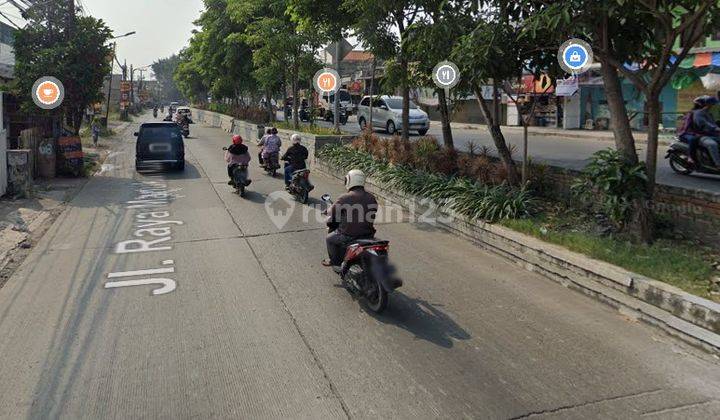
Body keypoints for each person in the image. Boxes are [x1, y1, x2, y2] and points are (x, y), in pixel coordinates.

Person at [322, 169, 378, 268]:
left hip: (348, 235)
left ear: (349, 181)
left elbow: (332, 211)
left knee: (329, 239)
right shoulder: (371, 197)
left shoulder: (345, 198)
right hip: (368, 234)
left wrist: (327, 211)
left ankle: (335, 261)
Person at [682, 95, 720, 166]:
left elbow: (714, 122)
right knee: (712, 144)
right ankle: (718, 164)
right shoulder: (698, 113)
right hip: (700, 134)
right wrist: (715, 128)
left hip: (710, 134)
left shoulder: (708, 113)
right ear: (707, 105)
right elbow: (704, 124)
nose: (714, 106)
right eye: (713, 104)